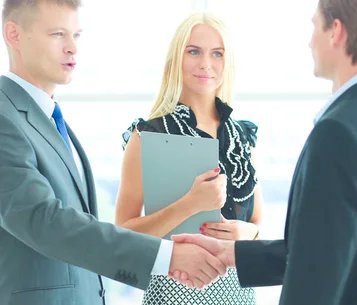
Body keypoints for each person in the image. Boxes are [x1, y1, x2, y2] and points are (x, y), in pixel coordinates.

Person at [171, 0, 357, 304]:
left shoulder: (338, 131)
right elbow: (328, 249)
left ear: (336, 32)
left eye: (315, 26)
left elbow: (314, 279)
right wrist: (231, 254)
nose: (309, 41)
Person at [0, 1, 226, 304]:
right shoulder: (4, 117)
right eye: (57, 34)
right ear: (13, 35)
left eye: (77, 36)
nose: (72, 48)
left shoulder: (50, 119)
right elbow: (44, 220)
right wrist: (166, 256)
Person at [116, 11, 264, 305]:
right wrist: (190, 205)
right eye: (194, 51)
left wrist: (248, 233)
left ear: (228, 62)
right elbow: (122, 235)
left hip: (239, 293)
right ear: (176, 60)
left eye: (217, 54)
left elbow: (257, 222)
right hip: (173, 293)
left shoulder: (242, 137)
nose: (206, 64)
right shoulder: (146, 135)